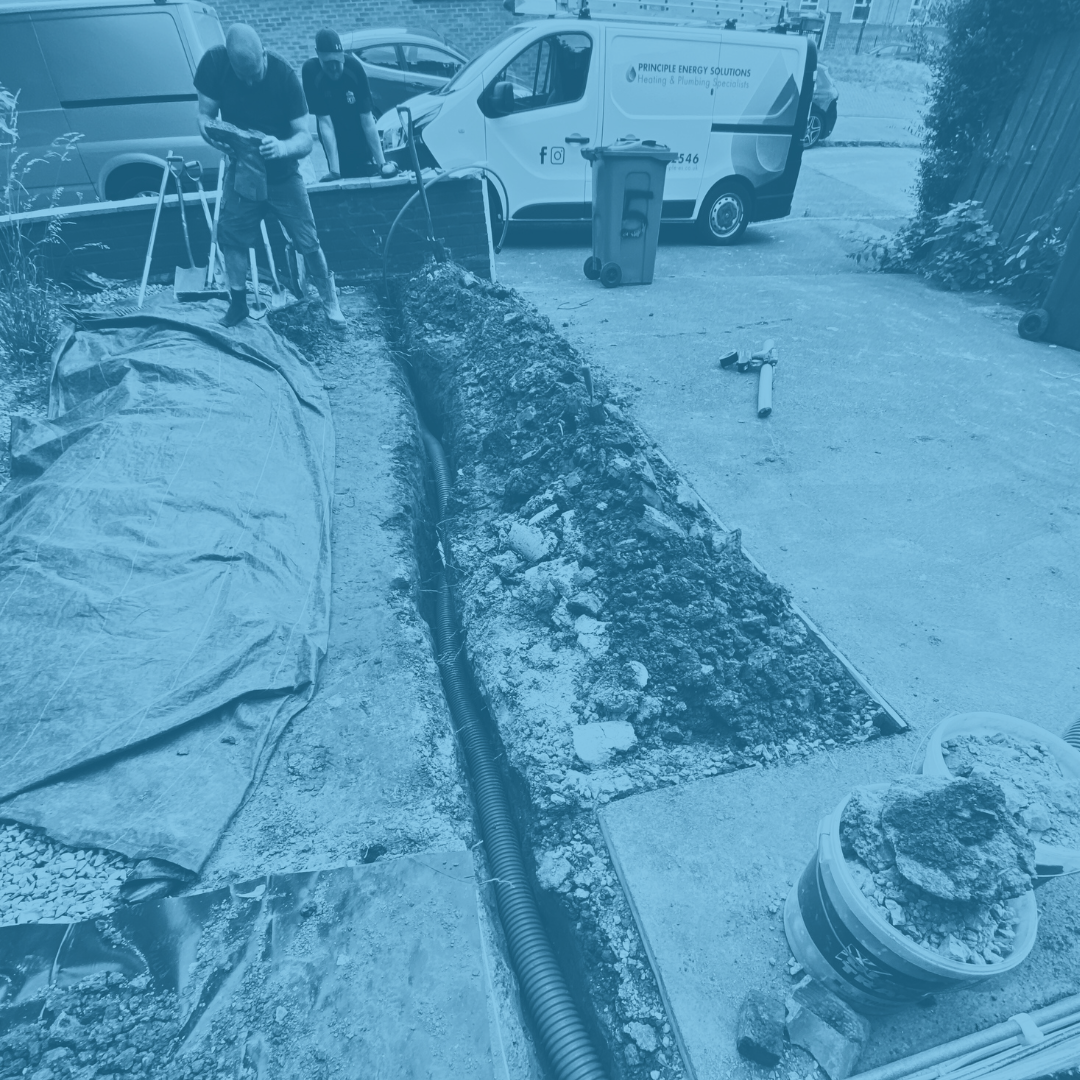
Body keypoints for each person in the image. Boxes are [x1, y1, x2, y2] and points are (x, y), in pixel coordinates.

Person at [194, 23, 345, 328]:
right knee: (231, 237)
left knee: (308, 241)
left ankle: (330, 303)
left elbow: (305, 138)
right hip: (243, 171)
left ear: (264, 53)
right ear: (231, 63)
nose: (250, 82)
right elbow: (204, 116)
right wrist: (213, 136)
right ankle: (238, 305)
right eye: (243, 77)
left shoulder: (284, 76)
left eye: (256, 74)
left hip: (283, 174)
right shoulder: (214, 64)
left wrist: (283, 147)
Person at [301, 29, 398, 181]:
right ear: (317, 53)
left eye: (337, 61)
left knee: (367, 171)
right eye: (328, 63)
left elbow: (367, 120)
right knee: (342, 175)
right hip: (335, 137)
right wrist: (335, 171)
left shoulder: (354, 68)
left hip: (358, 132)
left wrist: (382, 164)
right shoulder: (310, 72)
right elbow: (325, 123)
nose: (334, 67)